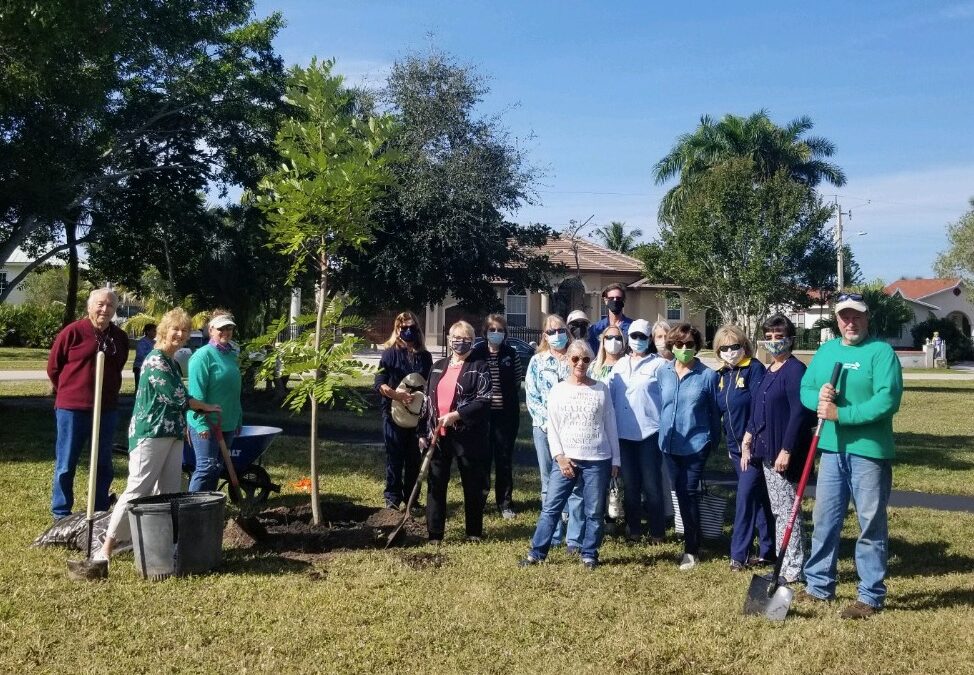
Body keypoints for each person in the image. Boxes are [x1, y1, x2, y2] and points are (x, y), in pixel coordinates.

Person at [798, 293, 903, 619]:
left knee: (869, 524)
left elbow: (888, 400)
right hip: (832, 450)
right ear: (837, 319)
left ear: (867, 318)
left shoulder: (881, 353)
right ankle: (818, 587)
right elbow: (805, 389)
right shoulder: (827, 351)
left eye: (856, 316)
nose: (850, 322)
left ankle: (870, 596)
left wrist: (841, 415)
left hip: (869, 453)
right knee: (824, 521)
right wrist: (820, 397)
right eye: (844, 316)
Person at [99, 308, 221, 560]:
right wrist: (204, 405)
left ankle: (162, 546)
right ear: (163, 331)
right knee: (138, 489)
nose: (179, 334)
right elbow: (176, 397)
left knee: (168, 490)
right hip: (150, 434)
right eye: (175, 329)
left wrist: (185, 424)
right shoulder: (155, 360)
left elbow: (176, 400)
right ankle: (106, 547)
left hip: (172, 433)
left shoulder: (172, 362)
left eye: (184, 330)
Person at [519, 340, 620, 570]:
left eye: (585, 359)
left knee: (593, 511)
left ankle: (589, 554)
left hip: (597, 459)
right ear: (568, 360)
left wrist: (616, 459)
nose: (580, 364)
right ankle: (537, 553)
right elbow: (552, 427)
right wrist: (560, 457)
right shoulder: (559, 390)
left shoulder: (601, 389)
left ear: (591, 361)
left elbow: (610, 425)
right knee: (551, 508)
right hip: (566, 459)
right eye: (575, 358)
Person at [742, 315, 815, 584]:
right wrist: (748, 436)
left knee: (788, 512)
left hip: (782, 453)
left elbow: (800, 412)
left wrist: (787, 449)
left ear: (790, 339)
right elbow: (759, 407)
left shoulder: (794, 370)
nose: (774, 341)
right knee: (778, 510)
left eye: (779, 336)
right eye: (769, 336)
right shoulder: (769, 370)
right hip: (764, 450)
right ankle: (784, 563)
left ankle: (794, 567)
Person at [46, 288, 130, 520]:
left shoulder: (119, 337)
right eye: (100, 304)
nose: (105, 309)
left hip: (106, 409)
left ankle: (100, 507)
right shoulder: (72, 332)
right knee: (67, 461)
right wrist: (70, 391)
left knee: (103, 461)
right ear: (89, 306)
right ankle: (61, 514)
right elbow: (54, 367)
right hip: (72, 409)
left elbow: (118, 366)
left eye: (110, 306)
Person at [419, 320, 491, 543]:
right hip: (438, 435)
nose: (460, 343)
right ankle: (435, 533)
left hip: (468, 436)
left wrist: (456, 416)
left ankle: (473, 532)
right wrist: (422, 432)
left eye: (465, 339)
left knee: (472, 484)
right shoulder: (438, 365)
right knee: (436, 483)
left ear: (472, 340)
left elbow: (484, 400)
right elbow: (427, 401)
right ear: (449, 340)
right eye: (456, 338)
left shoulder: (479, 366)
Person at [657, 322, 720, 570]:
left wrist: (714, 441)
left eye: (689, 345)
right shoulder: (663, 372)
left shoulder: (708, 376)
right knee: (679, 492)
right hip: (669, 443)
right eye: (679, 344)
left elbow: (715, 413)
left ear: (696, 346)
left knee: (688, 491)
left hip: (696, 442)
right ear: (672, 346)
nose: (684, 348)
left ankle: (691, 548)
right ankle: (693, 536)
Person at [713, 324, 775, 572]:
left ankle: (738, 554)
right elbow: (724, 412)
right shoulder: (721, 376)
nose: (730, 351)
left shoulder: (754, 369)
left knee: (745, 499)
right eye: (724, 348)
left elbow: (760, 409)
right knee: (758, 499)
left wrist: (749, 441)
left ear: (744, 346)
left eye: (735, 346)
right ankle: (769, 550)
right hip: (735, 449)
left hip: (754, 448)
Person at [525, 314, 584, 550]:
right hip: (544, 429)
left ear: (567, 333)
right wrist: (550, 425)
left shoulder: (576, 359)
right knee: (549, 481)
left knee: (575, 481)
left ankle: (575, 537)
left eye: (560, 330)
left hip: (573, 430)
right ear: (544, 336)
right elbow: (532, 398)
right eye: (551, 332)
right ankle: (554, 533)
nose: (556, 335)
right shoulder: (537, 362)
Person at [609, 319, 667, 542]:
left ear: (649, 339)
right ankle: (633, 530)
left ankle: (657, 531)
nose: (638, 341)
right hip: (623, 434)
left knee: (652, 485)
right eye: (634, 336)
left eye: (643, 337)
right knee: (631, 485)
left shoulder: (659, 365)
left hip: (649, 433)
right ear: (628, 339)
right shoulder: (620, 365)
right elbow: (612, 398)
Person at [375, 311, 433, 510]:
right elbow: (379, 383)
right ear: (397, 329)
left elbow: (429, 384)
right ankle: (392, 499)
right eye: (404, 328)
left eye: (412, 328)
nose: (408, 331)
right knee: (395, 457)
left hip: (417, 416)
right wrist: (396, 395)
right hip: (393, 414)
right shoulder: (390, 354)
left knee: (413, 459)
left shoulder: (425, 357)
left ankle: (411, 499)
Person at [470, 314, 522, 519]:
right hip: (482, 417)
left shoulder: (511, 353)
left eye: (500, 330)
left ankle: (505, 503)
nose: (496, 333)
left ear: (505, 333)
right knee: (482, 459)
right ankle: (480, 501)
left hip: (506, 417)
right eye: (492, 330)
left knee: (504, 459)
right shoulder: (477, 353)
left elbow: (517, 382)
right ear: (485, 332)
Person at [186, 311, 244, 492]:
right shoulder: (202, 356)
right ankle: (190, 510)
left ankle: (208, 508)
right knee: (206, 467)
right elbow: (195, 394)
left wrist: (238, 417)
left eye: (229, 328)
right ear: (211, 330)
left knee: (216, 468)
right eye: (221, 329)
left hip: (227, 422)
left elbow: (234, 391)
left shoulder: (232, 355)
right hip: (205, 421)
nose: (226, 332)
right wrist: (201, 424)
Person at [587, 283, 633, 353]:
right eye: (611, 298)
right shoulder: (595, 329)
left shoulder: (633, 327)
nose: (615, 301)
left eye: (618, 298)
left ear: (623, 300)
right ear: (605, 300)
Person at [132, 323, 156, 389]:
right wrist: (153, 357)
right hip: (140, 368)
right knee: (140, 388)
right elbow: (140, 355)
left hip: (151, 368)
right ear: (147, 332)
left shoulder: (155, 342)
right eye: (154, 331)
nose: (155, 332)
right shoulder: (142, 342)